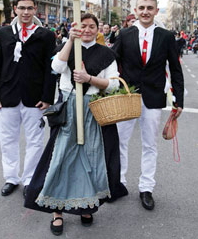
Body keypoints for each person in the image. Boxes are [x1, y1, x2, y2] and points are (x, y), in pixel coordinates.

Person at [25, 13, 128, 236]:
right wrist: (70, 41)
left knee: (90, 160)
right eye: (83, 26)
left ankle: (85, 206)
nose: (88, 29)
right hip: (69, 109)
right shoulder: (68, 45)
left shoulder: (107, 53)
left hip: (94, 110)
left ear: (98, 29)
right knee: (61, 158)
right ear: (76, 27)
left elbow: (112, 85)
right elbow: (56, 66)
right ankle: (57, 211)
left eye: (92, 26)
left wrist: (89, 78)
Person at [112, 0, 184, 211]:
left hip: (153, 98)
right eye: (141, 7)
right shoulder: (124, 34)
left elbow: (175, 68)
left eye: (149, 8)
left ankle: (146, 188)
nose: (145, 12)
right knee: (120, 142)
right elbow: (111, 61)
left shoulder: (166, 36)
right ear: (135, 10)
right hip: (127, 96)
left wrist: (178, 100)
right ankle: (119, 183)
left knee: (149, 145)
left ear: (156, 10)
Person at [0, 0, 57, 198]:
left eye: (29, 8)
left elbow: (50, 69)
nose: (25, 12)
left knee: (35, 141)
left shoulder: (45, 35)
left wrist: (47, 97)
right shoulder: (4, 33)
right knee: (7, 140)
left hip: (34, 98)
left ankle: (29, 180)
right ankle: (11, 178)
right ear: (15, 9)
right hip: (7, 96)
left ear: (35, 9)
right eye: (22, 8)